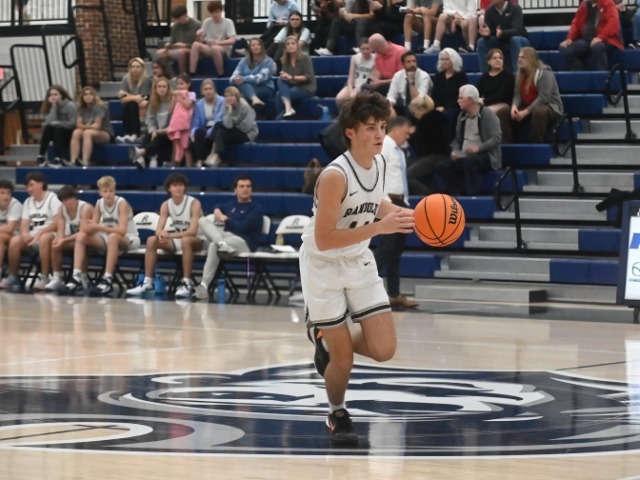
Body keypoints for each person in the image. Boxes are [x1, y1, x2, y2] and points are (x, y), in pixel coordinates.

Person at [300, 90, 414, 446]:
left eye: (382, 126)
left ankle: (326, 339)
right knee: (344, 361)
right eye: (370, 128)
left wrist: (406, 215)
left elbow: (373, 202)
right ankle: (337, 412)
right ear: (350, 132)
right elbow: (325, 239)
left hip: (358, 260)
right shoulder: (334, 176)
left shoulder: (378, 164)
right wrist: (381, 228)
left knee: (384, 349)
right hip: (323, 265)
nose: (380, 134)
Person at [127, 173, 206, 299]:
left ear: (184, 187)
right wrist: (161, 233)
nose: (178, 188)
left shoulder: (194, 203)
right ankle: (148, 282)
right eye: (175, 185)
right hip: (178, 239)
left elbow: (192, 231)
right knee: (152, 240)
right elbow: (159, 229)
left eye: (180, 185)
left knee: (186, 240)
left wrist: (170, 235)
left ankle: (187, 283)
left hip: (198, 240)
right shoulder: (166, 205)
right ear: (169, 188)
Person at [65, 176, 141, 296]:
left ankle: (108, 278)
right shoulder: (99, 203)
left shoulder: (122, 203)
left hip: (129, 238)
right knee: (82, 236)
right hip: (108, 239)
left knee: (113, 237)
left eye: (111, 191)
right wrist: (87, 227)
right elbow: (94, 226)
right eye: (105, 191)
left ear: (114, 191)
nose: (108, 194)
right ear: (100, 192)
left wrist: (100, 227)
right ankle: (77, 276)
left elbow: (122, 231)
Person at [192, 175, 265, 300]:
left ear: (251, 190)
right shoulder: (230, 205)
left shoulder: (256, 209)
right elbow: (217, 206)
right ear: (235, 190)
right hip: (227, 240)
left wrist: (226, 219)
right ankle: (221, 245)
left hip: (245, 242)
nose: (245, 189)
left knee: (213, 244)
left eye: (248, 186)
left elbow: (241, 228)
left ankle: (204, 285)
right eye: (241, 186)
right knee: (202, 220)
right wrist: (218, 212)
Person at [374, 115, 419, 309]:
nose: (408, 136)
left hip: (400, 200)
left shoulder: (399, 151)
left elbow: (400, 178)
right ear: (396, 129)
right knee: (387, 247)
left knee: (396, 250)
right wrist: (385, 202)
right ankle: (359, 288)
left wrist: (405, 202)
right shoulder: (383, 146)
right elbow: (377, 174)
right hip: (388, 201)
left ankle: (394, 293)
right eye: (406, 132)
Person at [434, 84, 501, 196]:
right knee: (441, 166)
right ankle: (458, 193)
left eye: (461, 98)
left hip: (485, 155)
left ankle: (473, 196)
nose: (458, 101)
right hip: (465, 154)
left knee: (470, 162)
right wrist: (455, 151)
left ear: (470, 99)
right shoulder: (461, 116)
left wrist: (478, 148)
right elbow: (457, 139)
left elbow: (496, 138)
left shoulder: (488, 114)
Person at [1, 172, 61, 291]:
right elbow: (24, 223)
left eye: (31, 185)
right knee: (15, 241)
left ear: (41, 184)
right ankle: (13, 276)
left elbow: (58, 222)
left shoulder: (52, 198)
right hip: (34, 235)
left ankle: (45, 276)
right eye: (27, 186)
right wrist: (24, 234)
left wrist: (41, 232)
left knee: (44, 238)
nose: (29, 189)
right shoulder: (28, 201)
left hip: (50, 233)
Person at [497, 46, 564, 143]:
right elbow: (517, 94)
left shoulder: (545, 73)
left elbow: (544, 97)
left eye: (522, 57)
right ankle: (506, 145)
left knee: (539, 112)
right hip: (527, 105)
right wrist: (514, 106)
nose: (519, 59)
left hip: (549, 106)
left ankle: (537, 145)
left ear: (530, 59)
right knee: (502, 113)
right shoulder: (520, 73)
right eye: (519, 57)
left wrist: (525, 112)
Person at [44, 186, 94, 291]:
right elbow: (61, 231)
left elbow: (83, 232)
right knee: (56, 243)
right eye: (65, 200)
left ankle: (82, 277)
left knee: (80, 241)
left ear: (76, 198)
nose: (68, 202)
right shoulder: (61, 210)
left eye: (70, 198)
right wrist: (59, 239)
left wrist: (64, 240)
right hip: (78, 239)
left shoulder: (85, 208)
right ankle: (57, 277)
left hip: (94, 238)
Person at [559, 0, 623, 71]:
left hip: (606, 39)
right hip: (586, 40)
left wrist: (600, 37)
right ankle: (582, 74)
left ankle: (601, 75)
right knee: (565, 48)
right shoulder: (584, 5)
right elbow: (576, 23)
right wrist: (570, 38)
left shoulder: (608, 3)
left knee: (598, 47)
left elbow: (613, 23)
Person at [207, 86, 259, 167]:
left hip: (247, 133)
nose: (228, 98)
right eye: (226, 96)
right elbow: (228, 125)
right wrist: (230, 111)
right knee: (220, 132)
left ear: (237, 97)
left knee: (219, 125)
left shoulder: (245, 106)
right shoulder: (226, 105)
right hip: (233, 131)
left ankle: (213, 154)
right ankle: (216, 155)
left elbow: (245, 127)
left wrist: (233, 127)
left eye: (231, 96)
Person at [131, 77, 173, 168]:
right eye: (159, 87)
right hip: (157, 132)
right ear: (156, 89)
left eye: (164, 86)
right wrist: (153, 130)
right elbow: (151, 120)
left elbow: (175, 122)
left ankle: (141, 152)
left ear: (168, 88)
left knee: (159, 136)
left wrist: (162, 131)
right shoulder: (152, 104)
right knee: (148, 136)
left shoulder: (173, 103)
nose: (161, 89)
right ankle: (141, 158)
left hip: (170, 133)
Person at [477, 0, 529, 73]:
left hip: (519, 39)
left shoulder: (515, 8)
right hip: (499, 40)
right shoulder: (489, 10)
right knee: (481, 42)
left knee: (515, 40)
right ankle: (486, 75)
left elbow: (517, 30)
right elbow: (490, 30)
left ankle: (517, 74)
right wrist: (486, 33)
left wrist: (502, 33)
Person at [68, 86, 113, 167]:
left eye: (90, 94)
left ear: (94, 96)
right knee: (76, 132)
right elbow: (78, 125)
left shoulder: (100, 107)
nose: (88, 96)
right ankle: (73, 160)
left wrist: (85, 126)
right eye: (85, 95)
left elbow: (97, 126)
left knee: (87, 133)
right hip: (89, 130)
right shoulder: (81, 108)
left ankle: (85, 161)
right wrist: (88, 126)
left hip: (105, 133)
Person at [189, 1, 237, 78]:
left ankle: (221, 74)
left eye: (217, 12)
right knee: (195, 45)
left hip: (223, 48)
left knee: (215, 48)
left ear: (221, 11)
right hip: (209, 47)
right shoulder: (206, 22)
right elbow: (200, 41)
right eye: (212, 12)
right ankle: (192, 73)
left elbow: (232, 40)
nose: (215, 14)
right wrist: (198, 35)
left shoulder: (228, 22)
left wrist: (218, 42)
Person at [431, 48, 468, 143]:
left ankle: (447, 142)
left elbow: (461, 96)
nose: (444, 62)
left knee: (447, 115)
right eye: (442, 59)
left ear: (453, 60)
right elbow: (434, 95)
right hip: (439, 107)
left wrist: (445, 108)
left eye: (447, 59)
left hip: (456, 107)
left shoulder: (461, 77)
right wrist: (437, 106)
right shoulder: (438, 76)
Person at [230, 37, 277, 107]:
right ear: (250, 48)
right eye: (253, 45)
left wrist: (244, 79)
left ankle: (253, 102)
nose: (256, 47)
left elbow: (261, 78)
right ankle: (254, 99)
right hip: (248, 87)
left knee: (242, 93)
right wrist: (235, 79)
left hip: (265, 88)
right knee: (241, 88)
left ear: (262, 47)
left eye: (258, 45)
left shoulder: (268, 61)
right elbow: (234, 75)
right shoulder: (244, 61)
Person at [277, 36, 317, 118]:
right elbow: (285, 77)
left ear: (297, 45)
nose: (290, 46)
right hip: (293, 85)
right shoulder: (285, 59)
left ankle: (281, 118)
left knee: (282, 95)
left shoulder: (305, 57)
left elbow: (308, 77)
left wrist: (291, 77)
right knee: (280, 81)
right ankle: (288, 110)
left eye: (293, 43)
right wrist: (284, 76)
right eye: (288, 44)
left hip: (307, 87)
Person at [37, 85, 77, 167]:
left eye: (55, 94)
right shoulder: (52, 106)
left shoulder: (70, 105)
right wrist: (53, 107)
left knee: (58, 129)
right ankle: (41, 155)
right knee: (49, 128)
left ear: (62, 95)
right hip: (56, 133)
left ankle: (58, 158)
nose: (53, 97)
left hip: (69, 133)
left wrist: (58, 123)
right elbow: (49, 123)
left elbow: (73, 124)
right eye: (51, 95)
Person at [155, 5, 201, 75]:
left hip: (191, 49)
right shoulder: (175, 26)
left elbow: (199, 44)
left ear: (185, 15)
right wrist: (169, 45)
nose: (178, 21)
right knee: (160, 53)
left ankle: (183, 74)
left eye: (179, 18)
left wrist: (185, 45)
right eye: (176, 19)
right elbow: (172, 41)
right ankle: (170, 74)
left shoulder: (196, 25)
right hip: (176, 48)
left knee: (181, 52)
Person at [116, 57, 152, 143]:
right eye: (133, 67)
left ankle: (135, 133)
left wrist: (129, 96)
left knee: (133, 105)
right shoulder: (126, 79)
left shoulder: (146, 79)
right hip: (131, 102)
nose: (135, 69)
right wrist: (135, 97)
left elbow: (144, 97)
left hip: (142, 104)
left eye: (138, 67)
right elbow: (123, 98)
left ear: (142, 68)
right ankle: (127, 134)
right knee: (125, 106)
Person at [386, 51, 433, 117]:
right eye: (408, 62)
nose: (412, 64)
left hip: (423, 106)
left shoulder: (424, 76)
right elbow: (391, 96)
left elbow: (419, 101)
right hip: (404, 106)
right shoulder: (398, 75)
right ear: (403, 64)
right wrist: (389, 108)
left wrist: (411, 81)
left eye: (414, 61)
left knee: (411, 109)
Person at [191, 79, 225, 168]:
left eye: (210, 89)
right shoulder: (199, 104)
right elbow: (196, 122)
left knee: (214, 130)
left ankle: (212, 159)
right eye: (205, 89)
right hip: (205, 128)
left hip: (217, 127)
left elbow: (219, 119)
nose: (208, 91)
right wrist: (193, 133)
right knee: (198, 132)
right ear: (202, 92)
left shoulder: (222, 101)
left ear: (214, 90)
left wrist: (208, 133)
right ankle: (199, 161)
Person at [336, 37, 376, 109]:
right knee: (340, 98)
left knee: (353, 97)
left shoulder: (375, 59)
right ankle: (343, 114)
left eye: (368, 48)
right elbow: (351, 76)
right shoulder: (354, 58)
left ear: (372, 49)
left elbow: (371, 79)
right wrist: (351, 89)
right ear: (359, 49)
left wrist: (357, 90)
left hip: (365, 86)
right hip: (354, 83)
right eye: (363, 49)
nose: (365, 51)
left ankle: (355, 115)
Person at [167, 73, 196, 167]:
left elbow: (187, 105)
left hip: (187, 125)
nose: (179, 86)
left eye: (182, 83)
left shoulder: (192, 94)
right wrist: (174, 98)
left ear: (188, 84)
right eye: (178, 84)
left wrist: (179, 96)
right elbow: (170, 110)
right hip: (176, 123)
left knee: (186, 147)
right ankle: (175, 166)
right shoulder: (176, 95)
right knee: (176, 146)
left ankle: (189, 167)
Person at [477, 48, 515, 113]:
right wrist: (477, 99)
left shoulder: (508, 75)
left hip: (504, 104)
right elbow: (477, 90)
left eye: (500, 58)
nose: (498, 60)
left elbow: (501, 96)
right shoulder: (485, 76)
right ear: (489, 62)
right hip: (487, 103)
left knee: (486, 112)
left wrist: (484, 101)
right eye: (495, 58)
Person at [0, 180, 22, 286]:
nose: (6, 196)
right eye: (2, 193)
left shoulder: (15, 205)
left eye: (8, 193)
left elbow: (10, 228)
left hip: (19, 237)